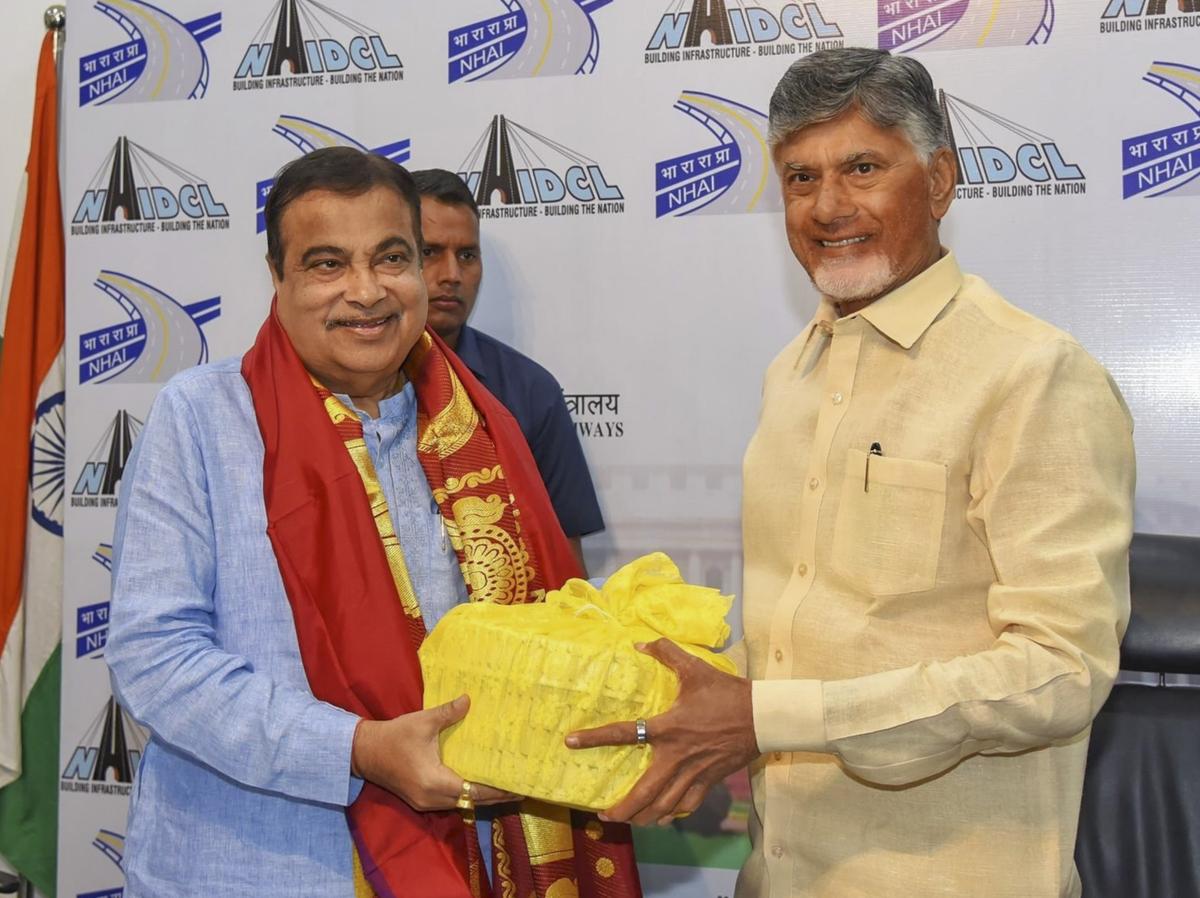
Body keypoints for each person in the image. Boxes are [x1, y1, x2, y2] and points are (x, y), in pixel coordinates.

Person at [568, 48, 1135, 898]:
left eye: (862, 168)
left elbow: (1060, 670)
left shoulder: (1033, 375)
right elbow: (803, 631)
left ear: (940, 180)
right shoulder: (789, 373)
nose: (827, 207)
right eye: (799, 179)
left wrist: (768, 718)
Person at [106, 147, 641, 898]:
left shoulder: (484, 428)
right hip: (257, 865)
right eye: (327, 264)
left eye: (392, 257)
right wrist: (357, 749)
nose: (366, 291)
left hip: (470, 853)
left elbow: (550, 635)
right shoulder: (203, 417)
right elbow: (154, 657)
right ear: (279, 279)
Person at [410, 168, 603, 574]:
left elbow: (566, 565)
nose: (451, 275)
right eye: (430, 252)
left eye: (467, 255)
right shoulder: (350, 384)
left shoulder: (530, 390)